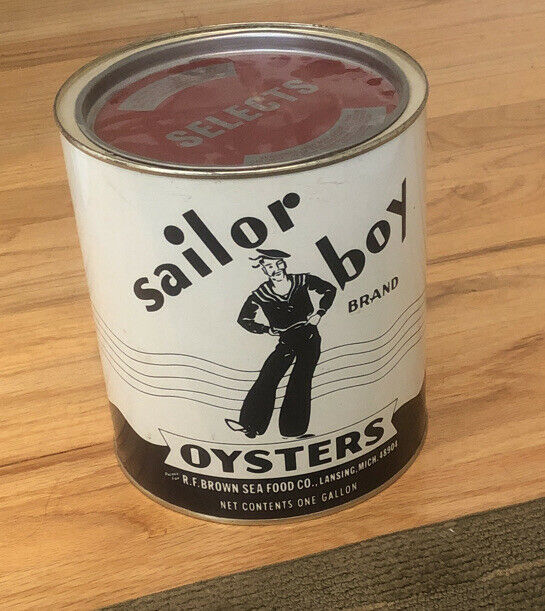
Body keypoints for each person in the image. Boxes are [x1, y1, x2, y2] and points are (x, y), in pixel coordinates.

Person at [226, 248, 336, 439]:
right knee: (268, 376)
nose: (275, 269)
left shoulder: (301, 280)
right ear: (263, 269)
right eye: (269, 266)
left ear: (284, 264)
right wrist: (265, 329)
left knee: (301, 379)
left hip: (309, 336)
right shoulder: (261, 294)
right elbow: (244, 319)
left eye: (278, 263)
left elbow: (329, 289)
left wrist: (320, 312)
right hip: (286, 339)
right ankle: (251, 425)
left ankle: (292, 430)